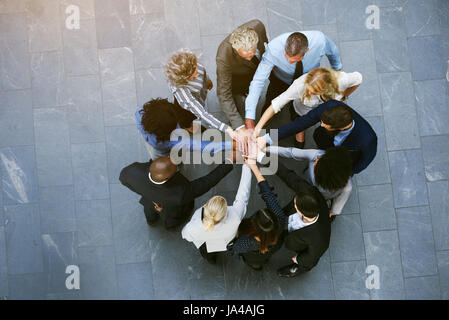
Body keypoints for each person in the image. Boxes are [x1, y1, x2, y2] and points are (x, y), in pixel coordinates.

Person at [244, 31, 342, 146]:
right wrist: (249, 117)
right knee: (272, 99)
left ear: (306, 51)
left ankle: (299, 127)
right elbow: (258, 81)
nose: (290, 62)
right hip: (280, 80)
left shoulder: (320, 41)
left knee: (302, 107)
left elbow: (333, 52)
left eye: (294, 60)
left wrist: (337, 72)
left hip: (309, 81)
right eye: (287, 58)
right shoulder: (273, 49)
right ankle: (268, 118)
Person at [258, 100, 377, 174]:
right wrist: (267, 138)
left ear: (339, 127)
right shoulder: (330, 107)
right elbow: (300, 124)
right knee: (319, 134)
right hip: (326, 140)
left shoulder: (367, 139)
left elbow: (363, 162)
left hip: (343, 155)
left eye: (325, 124)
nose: (321, 124)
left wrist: (345, 174)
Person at [254, 67, 362, 147]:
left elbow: (358, 79)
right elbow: (276, 104)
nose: (309, 92)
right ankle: (301, 131)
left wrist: (344, 96)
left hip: (327, 111)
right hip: (303, 112)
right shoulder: (299, 85)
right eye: (308, 88)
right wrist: (258, 127)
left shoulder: (342, 80)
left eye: (314, 91)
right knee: (299, 124)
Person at [119, 156, 233, 230]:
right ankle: (169, 225)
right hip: (171, 208)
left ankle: (151, 220)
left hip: (149, 199)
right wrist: (229, 161)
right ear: (168, 178)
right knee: (173, 217)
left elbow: (124, 180)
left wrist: (145, 192)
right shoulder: (180, 194)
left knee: (149, 209)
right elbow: (208, 181)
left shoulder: (131, 171)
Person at [181, 164, 252, 264]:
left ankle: (211, 260)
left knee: (207, 254)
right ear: (225, 215)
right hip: (223, 242)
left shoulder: (193, 227)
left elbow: (185, 235)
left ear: (206, 206)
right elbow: (243, 195)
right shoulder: (236, 216)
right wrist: (247, 166)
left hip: (205, 243)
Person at [227, 160, 287, 271]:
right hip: (275, 247)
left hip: (253, 257)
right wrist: (254, 167)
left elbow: (235, 248)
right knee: (263, 259)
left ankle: (256, 266)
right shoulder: (280, 219)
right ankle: (260, 264)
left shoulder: (247, 241)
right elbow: (269, 196)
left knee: (254, 262)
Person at [275, 161, 331, 277]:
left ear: (300, 211)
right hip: (293, 228)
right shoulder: (309, 192)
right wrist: (262, 157)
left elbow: (312, 256)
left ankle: (297, 269)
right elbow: (288, 176)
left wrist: (299, 259)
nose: (294, 201)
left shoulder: (319, 238)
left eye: (295, 204)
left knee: (305, 264)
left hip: (299, 243)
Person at [267, 146, 353, 222]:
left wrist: (331, 213)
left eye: (319, 164)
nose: (315, 161)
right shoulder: (318, 155)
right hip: (306, 184)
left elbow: (337, 204)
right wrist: (268, 149)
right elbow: (291, 152)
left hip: (318, 198)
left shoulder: (347, 187)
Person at [166, 49, 235, 139]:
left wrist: (207, 80)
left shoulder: (192, 65)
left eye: (195, 69)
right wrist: (226, 129)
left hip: (199, 97)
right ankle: (188, 126)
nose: (196, 74)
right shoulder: (181, 90)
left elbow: (202, 71)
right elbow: (202, 114)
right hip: (186, 109)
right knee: (187, 118)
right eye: (192, 76)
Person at [136, 98, 234, 160]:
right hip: (162, 151)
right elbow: (204, 146)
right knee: (168, 162)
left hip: (152, 141)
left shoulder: (140, 113)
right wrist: (232, 144)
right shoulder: (175, 141)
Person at [216, 19, 268, 130]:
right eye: (245, 57)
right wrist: (239, 125)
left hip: (253, 74)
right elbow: (224, 94)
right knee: (237, 106)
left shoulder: (258, 26)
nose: (250, 58)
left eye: (252, 54)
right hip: (238, 80)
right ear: (236, 49)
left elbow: (265, 43)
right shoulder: (223, 56)